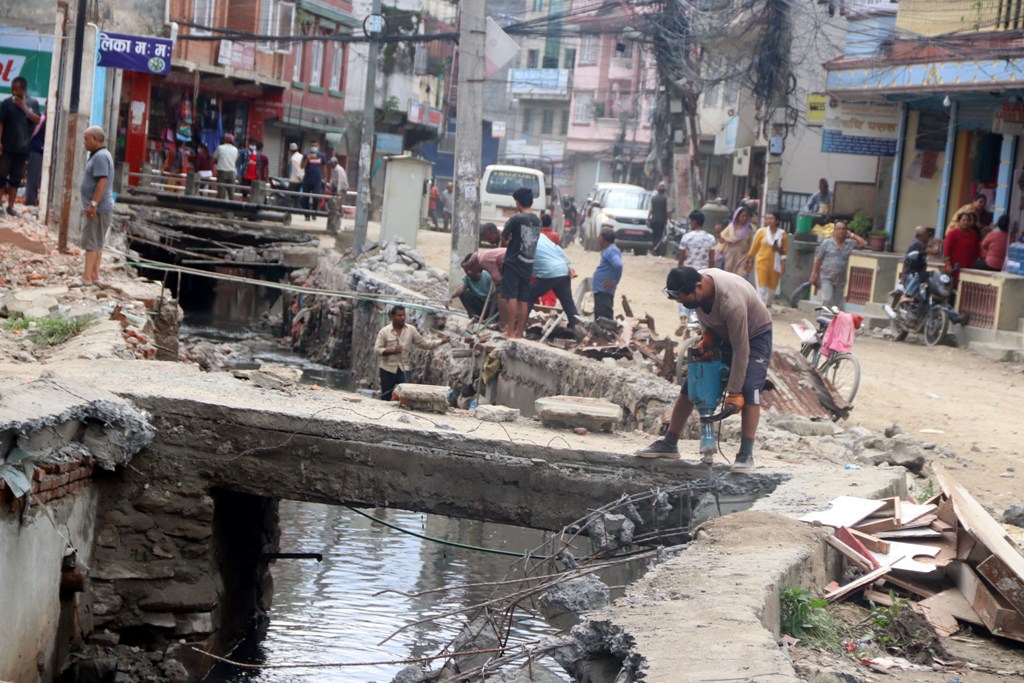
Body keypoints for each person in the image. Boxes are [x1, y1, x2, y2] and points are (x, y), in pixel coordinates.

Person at [638, 266, 772, 472]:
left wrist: (734, 391)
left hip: (754, 336)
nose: (685, 304)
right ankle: (670, 442)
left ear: (698, 286)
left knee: (749, 388)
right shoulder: (695, 288)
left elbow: (741, 348)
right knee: (695, 380)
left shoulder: (731, 302)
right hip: (721, 331)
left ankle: (745, 454)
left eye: (686, 300)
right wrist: (707, 337)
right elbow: (705, 318)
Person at [373, 305, 447, 401]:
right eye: (399, 315)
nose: (402, 318)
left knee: (405, 396)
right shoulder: (384, 331)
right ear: (392, 317)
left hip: (404, 369)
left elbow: (424, 343)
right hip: (387, 369)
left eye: (404, 315)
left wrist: (441, 341)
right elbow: (377, 349)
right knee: (386, 396)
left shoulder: (411, 330)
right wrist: (392, 351)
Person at [500, 187, 542, 338]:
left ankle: (510, 331)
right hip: (528, 262)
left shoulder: (516, 219)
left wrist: (508, 240)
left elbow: (503, 237)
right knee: (523, 299)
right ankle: (519, 333)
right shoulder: (538, 220)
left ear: (518, 202)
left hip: (513, 262)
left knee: (511, 296)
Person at [76, 126, 115, 287]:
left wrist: (93, 204)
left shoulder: (100, 157)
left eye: (87, 138)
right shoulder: (101, 155)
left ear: (97, 140)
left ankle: (86, 277)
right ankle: (94, 276)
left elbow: (102, 182)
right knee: (97, 241)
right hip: (100, 207)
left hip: (97, 208)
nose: (84, 142)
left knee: (91, 242)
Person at [0, 76, 42, 216]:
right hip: (7, 147)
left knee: (16, 179)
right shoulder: (6, 103)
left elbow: (36, 120)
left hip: (23, 149)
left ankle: (10, 207)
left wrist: (23, 106)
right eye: (12, 90)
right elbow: (1, 123)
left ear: (24, 90)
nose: (13, 93)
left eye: (16, 90)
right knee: (1, 176)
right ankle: (0, 206)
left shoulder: (32, 103)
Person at [527, 232, 581, 329]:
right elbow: (558, 249)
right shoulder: (540, 235)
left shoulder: (521, 240)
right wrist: (569, 265)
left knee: (528, 297)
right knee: (568, 304)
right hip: (563, 269)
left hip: (549, 273)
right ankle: (579, 330)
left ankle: (519, 326)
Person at [809, 220, 866, 310]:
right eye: (838, 229)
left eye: (843, 229)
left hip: (840, 279)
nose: (841, 231)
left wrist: (851, 235)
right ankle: (826, 322)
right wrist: (814, 274)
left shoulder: (849, 244)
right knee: (827, 300)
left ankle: (837, 323)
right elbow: (818, 259)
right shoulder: (826, 243)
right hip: (827, 277)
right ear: (834, 231)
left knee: (838, 304)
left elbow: (863, 243)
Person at [677, 209, 717, 332]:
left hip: (688, 271)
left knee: (683, 295)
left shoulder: (686, 237)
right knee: (698, 298)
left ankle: (683, 318)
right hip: (703, 273)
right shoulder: (711, 238)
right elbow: (711, 259)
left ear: (694, 222)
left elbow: (682, 257)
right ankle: (694, 324)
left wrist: (679, 269)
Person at [745, 211, 788, 306]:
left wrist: (783, 263)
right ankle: (761, 307)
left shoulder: (782, 234)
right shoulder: (761, 232)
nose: (768, 220)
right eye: (767, 218)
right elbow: (754, 248)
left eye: (771, 218)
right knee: (762, 286)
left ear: (777, 221)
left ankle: (767, 304)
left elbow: (784, 252)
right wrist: (749, 260)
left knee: (772, 288)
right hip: (762, 262)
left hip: (775, 265)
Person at [449, 253, 495, 320]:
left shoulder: (487, 276)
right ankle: (474, 316)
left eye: (469, 270)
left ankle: (490, 318)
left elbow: (494, 298)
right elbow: (461, 288)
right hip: (478, 304)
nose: (468, 273)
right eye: (466, 271)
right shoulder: (467, 278)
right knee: (464, 293)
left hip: (489, 306)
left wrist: (490, 316)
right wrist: (451, 296)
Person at [943, 209, 980, 284]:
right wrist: (948, 265)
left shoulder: (974, 234)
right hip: (954, 268)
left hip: (968, 268)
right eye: (964, 220)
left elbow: (976, 250)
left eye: (968, 220)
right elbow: (946, 251)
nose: (966, 222)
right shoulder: (952, 233)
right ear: (959, 221)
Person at [593, 227, 622, 320]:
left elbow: (618, 265)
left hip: (604, 291)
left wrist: (614, 281)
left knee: (604, 318)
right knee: (600, 316)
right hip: (601, 290)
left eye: (599, 236)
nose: (598, 239)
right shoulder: (608, 250)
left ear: (603, 238)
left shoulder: (611, 250)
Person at [716, 206, 754, 276]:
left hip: (743, 259)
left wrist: (750, 261)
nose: (745, 218)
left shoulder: (749, 230)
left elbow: (752, 246)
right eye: (743, 216)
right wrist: (718, 232)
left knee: (740, 278)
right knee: (728, 277)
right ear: (737, 216)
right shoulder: (731, 227)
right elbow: (722, 240)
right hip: (729, 257)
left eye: (746, 216)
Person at [300, 142, 327, 220]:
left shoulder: (322, 156)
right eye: (312, 146)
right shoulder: (306, 154)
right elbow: (302, 166)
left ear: (318, 146)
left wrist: (325, 178)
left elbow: (324, 167)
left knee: (316, 198)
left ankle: (314, 213)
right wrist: (307, 159)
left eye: (315, 146)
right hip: (307, 180)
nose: (314, 147)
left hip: (317, 180)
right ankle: (307, 215)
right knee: (305, 198)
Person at [25, 113, 45, 206]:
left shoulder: (44, 118)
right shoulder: (42, 119)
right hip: (36, 150)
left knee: (37, 178)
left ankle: (34, 200)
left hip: (39, 150)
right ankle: (31, 202)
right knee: (34, 178)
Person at [648, 180, 672, 256]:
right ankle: (654, 249)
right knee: (659, 236)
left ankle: (655, 250)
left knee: (654, 235)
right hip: (661, 221)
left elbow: (650, 210)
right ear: (664, 190)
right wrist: (670, 221)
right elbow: (668, 212)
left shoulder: (653, 198)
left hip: (654, 220)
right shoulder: (667, 199)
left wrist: (648, 219)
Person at [213, 134, 239, 200]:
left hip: (221, 171)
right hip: (231, 172)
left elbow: (214, 158)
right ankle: (232, 207)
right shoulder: (235, 149)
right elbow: (236, 159)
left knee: (221, 191)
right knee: (231, 192)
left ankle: (220, 207)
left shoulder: (220, 148)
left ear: (225, 140)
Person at [287, 142, 304, 208]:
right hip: (300, 180)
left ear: (291, 150)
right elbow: (303, 168)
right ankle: (296, 208)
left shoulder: (293, 158)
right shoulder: (301, 156)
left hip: (294, 180)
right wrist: (302, 178)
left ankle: (287, 208)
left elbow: (296, 170)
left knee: (288, 195)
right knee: (297, 195)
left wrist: (300, 177)